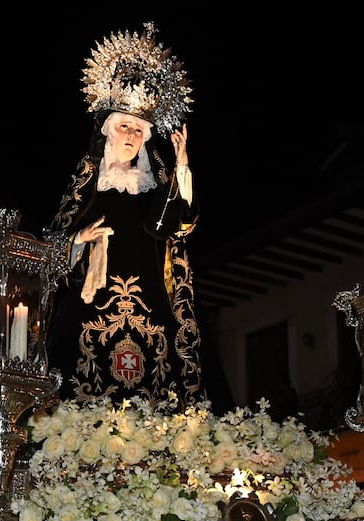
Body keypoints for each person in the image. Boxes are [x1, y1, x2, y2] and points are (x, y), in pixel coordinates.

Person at [46, 23, 229, 411]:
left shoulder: (157, 185)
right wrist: (80, 240)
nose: (130, 135)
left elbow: (179, 226)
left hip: (154, 311)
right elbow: (53, 245)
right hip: (91, 313)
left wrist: (182, 170)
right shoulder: (87, 182)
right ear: (109, 131)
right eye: (124, 126)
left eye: (138, 130)